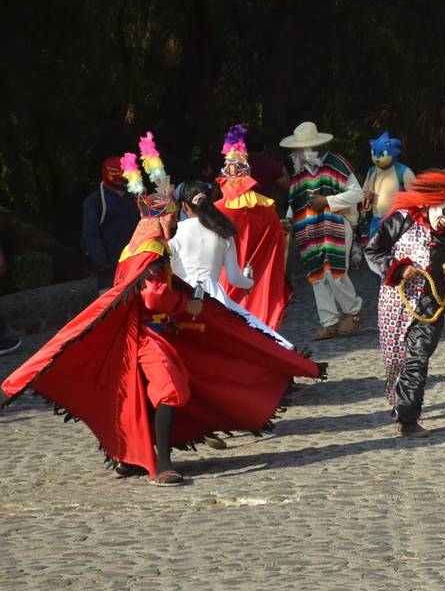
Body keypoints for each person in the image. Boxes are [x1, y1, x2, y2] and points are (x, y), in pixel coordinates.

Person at [2, 143, 324, 486]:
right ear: (162, 214)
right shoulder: (152, 246)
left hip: (149, 330)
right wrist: (188, 306)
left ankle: (131, 455)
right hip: (148, 331)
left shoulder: (139, 242)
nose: (174, 218)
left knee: (144, 395)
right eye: (169, 213)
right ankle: (162, 463)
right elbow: (154, 297)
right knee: (171, 389)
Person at [364, 171, 445, 438]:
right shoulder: (401, 221)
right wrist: (398, 270)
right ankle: (399, 399)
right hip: (395, 301)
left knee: (418, 357)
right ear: (431, 202)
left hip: (430, 306)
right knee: (395, 360)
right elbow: (373, 251)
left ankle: (408, 418)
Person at [169, 180, 293, 348]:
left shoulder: (173, 240)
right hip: (214, 297)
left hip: (182, 299)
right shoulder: (224, 234)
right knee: (254, 338)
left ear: (184, 207)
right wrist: (250, 282)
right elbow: (234, 278)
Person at [280, 121, 364, 340]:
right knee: (317, 275)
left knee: (334, 272)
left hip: (335, 223)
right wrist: (289, 219)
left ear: (311, 148)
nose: (296, 154)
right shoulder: (299, 175)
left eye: (299, 149)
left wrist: (327, 200)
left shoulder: (336, 164)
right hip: (309, 230)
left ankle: (355, 312)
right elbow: (295, 201)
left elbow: (357, 194)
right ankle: (329, 323)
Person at [215, 125, 291, 331]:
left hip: (226, 274)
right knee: (259, 294)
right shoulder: (267, 209)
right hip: (259, 264)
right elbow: (277, 246)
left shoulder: (216, 212)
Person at [82, 156, 140, 292]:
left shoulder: (132, 198)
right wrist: (100, 261)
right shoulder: (95, 200)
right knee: (112, 307)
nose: (121, 175)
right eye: (115, 172)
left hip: (134, 264)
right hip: (110, 267)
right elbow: (90, 234)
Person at [361, 131, 416, 237]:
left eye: (382, 154)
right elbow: (364, 193)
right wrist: (367, 198)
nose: (377, 158)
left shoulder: (404, 172)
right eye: (374, 154)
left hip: (396, 221)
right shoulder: (372, 171)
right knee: (373, 248)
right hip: (376, 219)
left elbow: (414, 199)